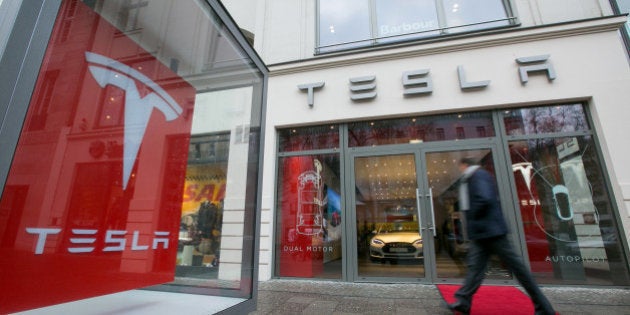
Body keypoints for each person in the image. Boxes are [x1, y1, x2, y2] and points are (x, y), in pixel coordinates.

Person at [447, 157, 556, 315]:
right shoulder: (472, 178)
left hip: (492, 231)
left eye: (461, 167)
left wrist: (472, 219)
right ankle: (463, 301)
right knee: (474, 269)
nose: (460, 170)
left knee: (518, 270)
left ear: (465, 165)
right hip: (482, 234)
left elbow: (483, 198)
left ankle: (544, 307)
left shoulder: (479, 176)